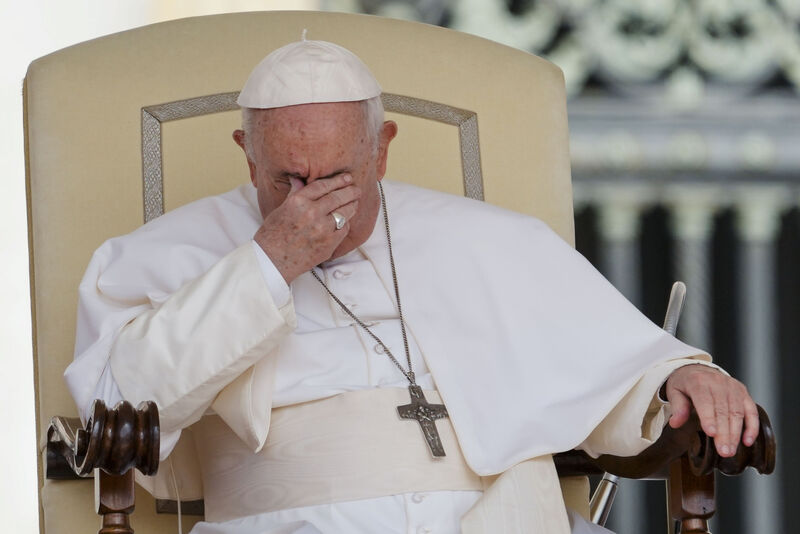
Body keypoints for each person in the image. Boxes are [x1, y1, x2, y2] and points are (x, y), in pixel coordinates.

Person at [65, 38, 758, 534]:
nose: (315, 203)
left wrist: (681, 375)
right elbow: (115, 398)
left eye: (338, 176)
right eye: (288, 180)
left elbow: (612, 362)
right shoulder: (161, 253)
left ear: (382, 146)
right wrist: (264, 265)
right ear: (248, 155)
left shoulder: (489, 238)